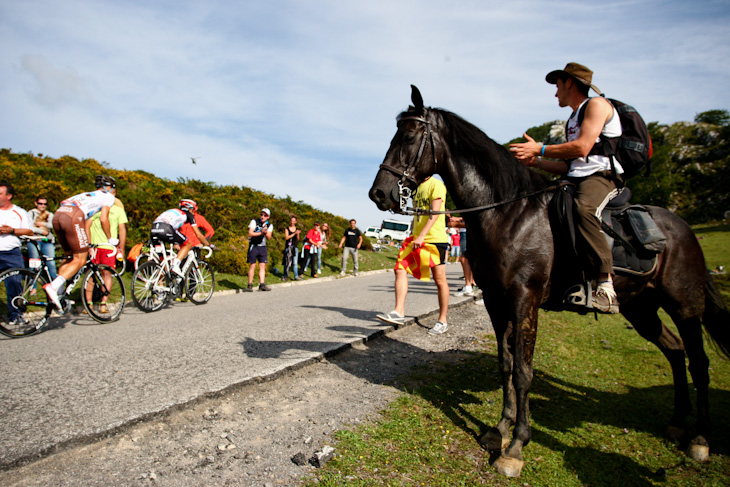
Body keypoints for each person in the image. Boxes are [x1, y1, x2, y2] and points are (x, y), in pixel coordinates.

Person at [509, 62, 622, 314]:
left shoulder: (597, 105)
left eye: (558, 86)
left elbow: (582, 148)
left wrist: (540, 149)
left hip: (601, 178)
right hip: (576, 177)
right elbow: (570, 166)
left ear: (569, 82)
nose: (555, 92)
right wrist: (536, 162)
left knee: (584, 208)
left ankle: (605, 285)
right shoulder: (574, 116)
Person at [377, 176, 450, 335]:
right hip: (416, 237)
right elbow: (417, 213)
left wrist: (422, 235)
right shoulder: (416, 188)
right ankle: (398, 312)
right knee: (399, 269)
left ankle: (442, 320)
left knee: (439, 280)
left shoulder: (436, 185)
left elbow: (435, 212)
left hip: (434, 239)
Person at [43, 176, 117, 310]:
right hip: (73, 216)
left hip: (59, 214)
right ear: (110, 188)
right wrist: (110, 239)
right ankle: (53, 287)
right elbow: (103, 219)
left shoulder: (87, 195)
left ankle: (59, 295)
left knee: (69, 256)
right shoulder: (108, 196)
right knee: (81, 259)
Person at [86, 182, 128, 313]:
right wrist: (121, 248)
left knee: (92, 276)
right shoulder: (109, 210)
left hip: (99, 247)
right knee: (104, 275)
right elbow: (122, 231)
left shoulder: (100, 209)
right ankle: (98, 304)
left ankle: (92, 304)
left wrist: (88, 244)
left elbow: (86, 225)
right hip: (105, 246)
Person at [150, 199, 211, 278]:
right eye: (194, 210)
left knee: (163, 258)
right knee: (188, 243)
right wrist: (208, 244)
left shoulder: (173, 211)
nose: (194, 212)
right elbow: (198, 234)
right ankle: (176, 265)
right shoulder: (188, 215)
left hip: (154, 229)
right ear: (190, 208)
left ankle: (163, 279)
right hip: (166, 228)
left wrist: (176, 242)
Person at [0, 183, 33, 325]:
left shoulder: (19, 212)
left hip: (11, 253)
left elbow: (29, 231)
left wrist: (12, 231)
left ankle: (16, 315)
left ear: (9, 196)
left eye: (0, 193)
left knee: (14, 284)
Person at [27, 196, 57, 280]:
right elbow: (29, 227)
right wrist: (42, 231)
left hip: (47, 241)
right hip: (34, 240)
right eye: (40, 203)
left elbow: (53, 225)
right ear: (36, 203)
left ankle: (54, 285)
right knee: (34, 264)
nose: (42, 206)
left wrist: (43, 224)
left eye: (45, 204)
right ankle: (32, 287)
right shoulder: (31, 213)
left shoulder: (49, 214)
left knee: (51, 263)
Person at [245, 208, 274, 291]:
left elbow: (269, 237)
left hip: (262, 247)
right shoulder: (254, 222)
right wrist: (260, 233)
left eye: (265, 215)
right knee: (252, 265)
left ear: (268, 217)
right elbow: (250, 233)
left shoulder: (269, 225)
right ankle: (250, 284)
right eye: (262, 214)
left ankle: (262, 284)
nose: (263, 216)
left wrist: (266, 231)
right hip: (254, 246)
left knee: (262, 266)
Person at [282, 216, 302, 281]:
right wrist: (294, 233)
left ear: (295, 222)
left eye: (294, 221)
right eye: (291, 221)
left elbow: (298, 239)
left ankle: (296, 276)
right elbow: (286, 237)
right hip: (288, 247)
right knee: (287, 262)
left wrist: (298, 234)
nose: (292, 222)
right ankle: (285, 275)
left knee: (295, 263)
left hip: (295, 247)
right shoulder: (287, 228)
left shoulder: (297, 229)